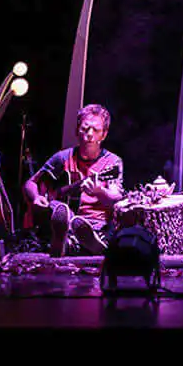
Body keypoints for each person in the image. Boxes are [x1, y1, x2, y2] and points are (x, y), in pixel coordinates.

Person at [23, 104, 125, 256]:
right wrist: (36, 197)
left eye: (96, 130)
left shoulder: (112, 162)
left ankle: (76, 243)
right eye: (85, 128)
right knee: (58, 208)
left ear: (103, 135)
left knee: (87, 229)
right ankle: (69, 239)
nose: (89, 134)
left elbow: (116, 197)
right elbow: (30, 183)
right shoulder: (63, 158)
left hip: (97, 225)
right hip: (66, 219)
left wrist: (100, 192)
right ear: (77, 130)